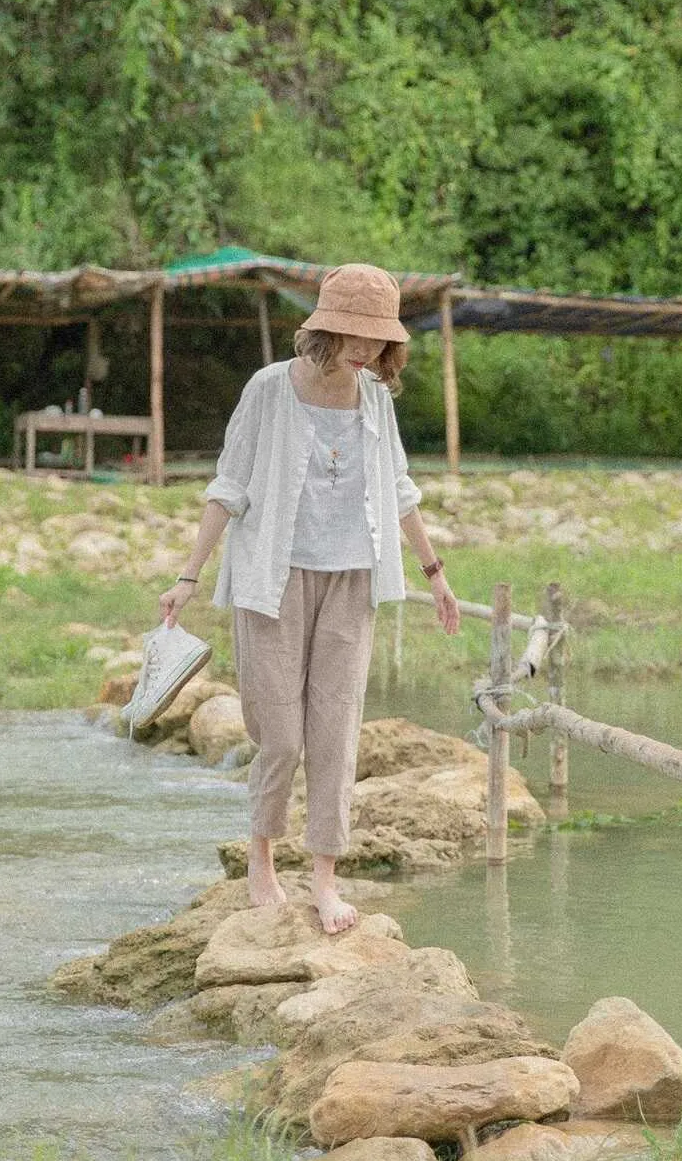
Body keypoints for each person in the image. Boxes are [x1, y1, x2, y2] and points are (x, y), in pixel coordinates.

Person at [159, 263, 461, 935]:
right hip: (273, 579)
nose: (365, 350)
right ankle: (262, 861)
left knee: (335, 734)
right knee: (282, 737)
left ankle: (325, 879)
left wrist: (435, 573)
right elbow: (228, 487)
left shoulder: (375, 399)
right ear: (325, 327)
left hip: (352, 577)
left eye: (377, 340)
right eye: (354, 334)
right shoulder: (270, 389)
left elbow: (401, 489)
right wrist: (187, 577)